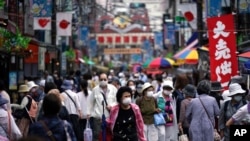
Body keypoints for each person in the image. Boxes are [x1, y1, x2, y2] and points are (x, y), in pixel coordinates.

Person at [87, 73, 118, 141]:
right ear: (99, 80)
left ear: (107, 79)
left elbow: (117, 101)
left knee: (110, 137)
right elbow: (90, 102)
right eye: (101, 79)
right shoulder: (95, 90)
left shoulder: (113, 89)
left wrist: (112, 106)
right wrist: (89, 113)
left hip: (110, 118)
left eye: (105, 79)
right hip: (98, 119)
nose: (103, 81)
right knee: (97, 137)